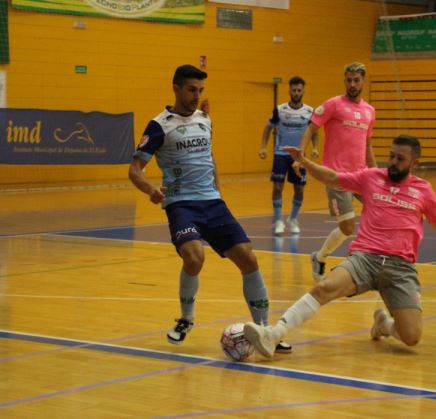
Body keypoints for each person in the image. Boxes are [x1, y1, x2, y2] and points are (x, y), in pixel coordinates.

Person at [244, 135, 436, 358]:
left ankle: (384, 324)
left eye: (400, 159)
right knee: (325, 287)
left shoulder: (424, 190)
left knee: (412, 337)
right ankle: (273, 335)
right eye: (392, 156)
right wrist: (305, 161)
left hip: (401, 268)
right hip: (365, 259)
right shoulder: (371, 177)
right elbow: (333, 178)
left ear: (414, 163)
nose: (393, 163)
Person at [128, 64, 290, 353]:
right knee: (194, 257)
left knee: (249, 259)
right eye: (192, 89)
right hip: (182, 205)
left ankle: (266, 330)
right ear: (176, 88)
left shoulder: (205, 119)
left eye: (201, 90)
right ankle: (186, 319)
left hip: (213, 203)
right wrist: (151, 189)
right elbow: (135, 169)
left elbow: (209, 156)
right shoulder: (159, 125)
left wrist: (218, 192)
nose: (196, 95)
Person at [294, 62, 377, 282]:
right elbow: (311, 127)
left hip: (361, 175)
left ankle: (371, 258)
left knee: (380, 208)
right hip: (337, 176)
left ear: (363, 81)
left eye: (356, 80)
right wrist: (300, 155)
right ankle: (320, 257)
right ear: (344, 81)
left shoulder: (369, 111)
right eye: (348, 80)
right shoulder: (333, 105)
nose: (352, 84)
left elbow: (367, 145)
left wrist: (376, 173)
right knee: (348, 227)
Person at [259, 76, 318, 235]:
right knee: (277, 186)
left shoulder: (309, 111)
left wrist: (315, 147)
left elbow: (313, 131)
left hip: (299, 156)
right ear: (289, 90)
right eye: (294, 90)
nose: (296, 93)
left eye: (299, 90)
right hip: (280, 153)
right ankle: (278, 220)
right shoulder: (280, 110)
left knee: (299, 189)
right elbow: (268, 128)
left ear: (303, 91)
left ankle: (292, 219)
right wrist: (263, 147)